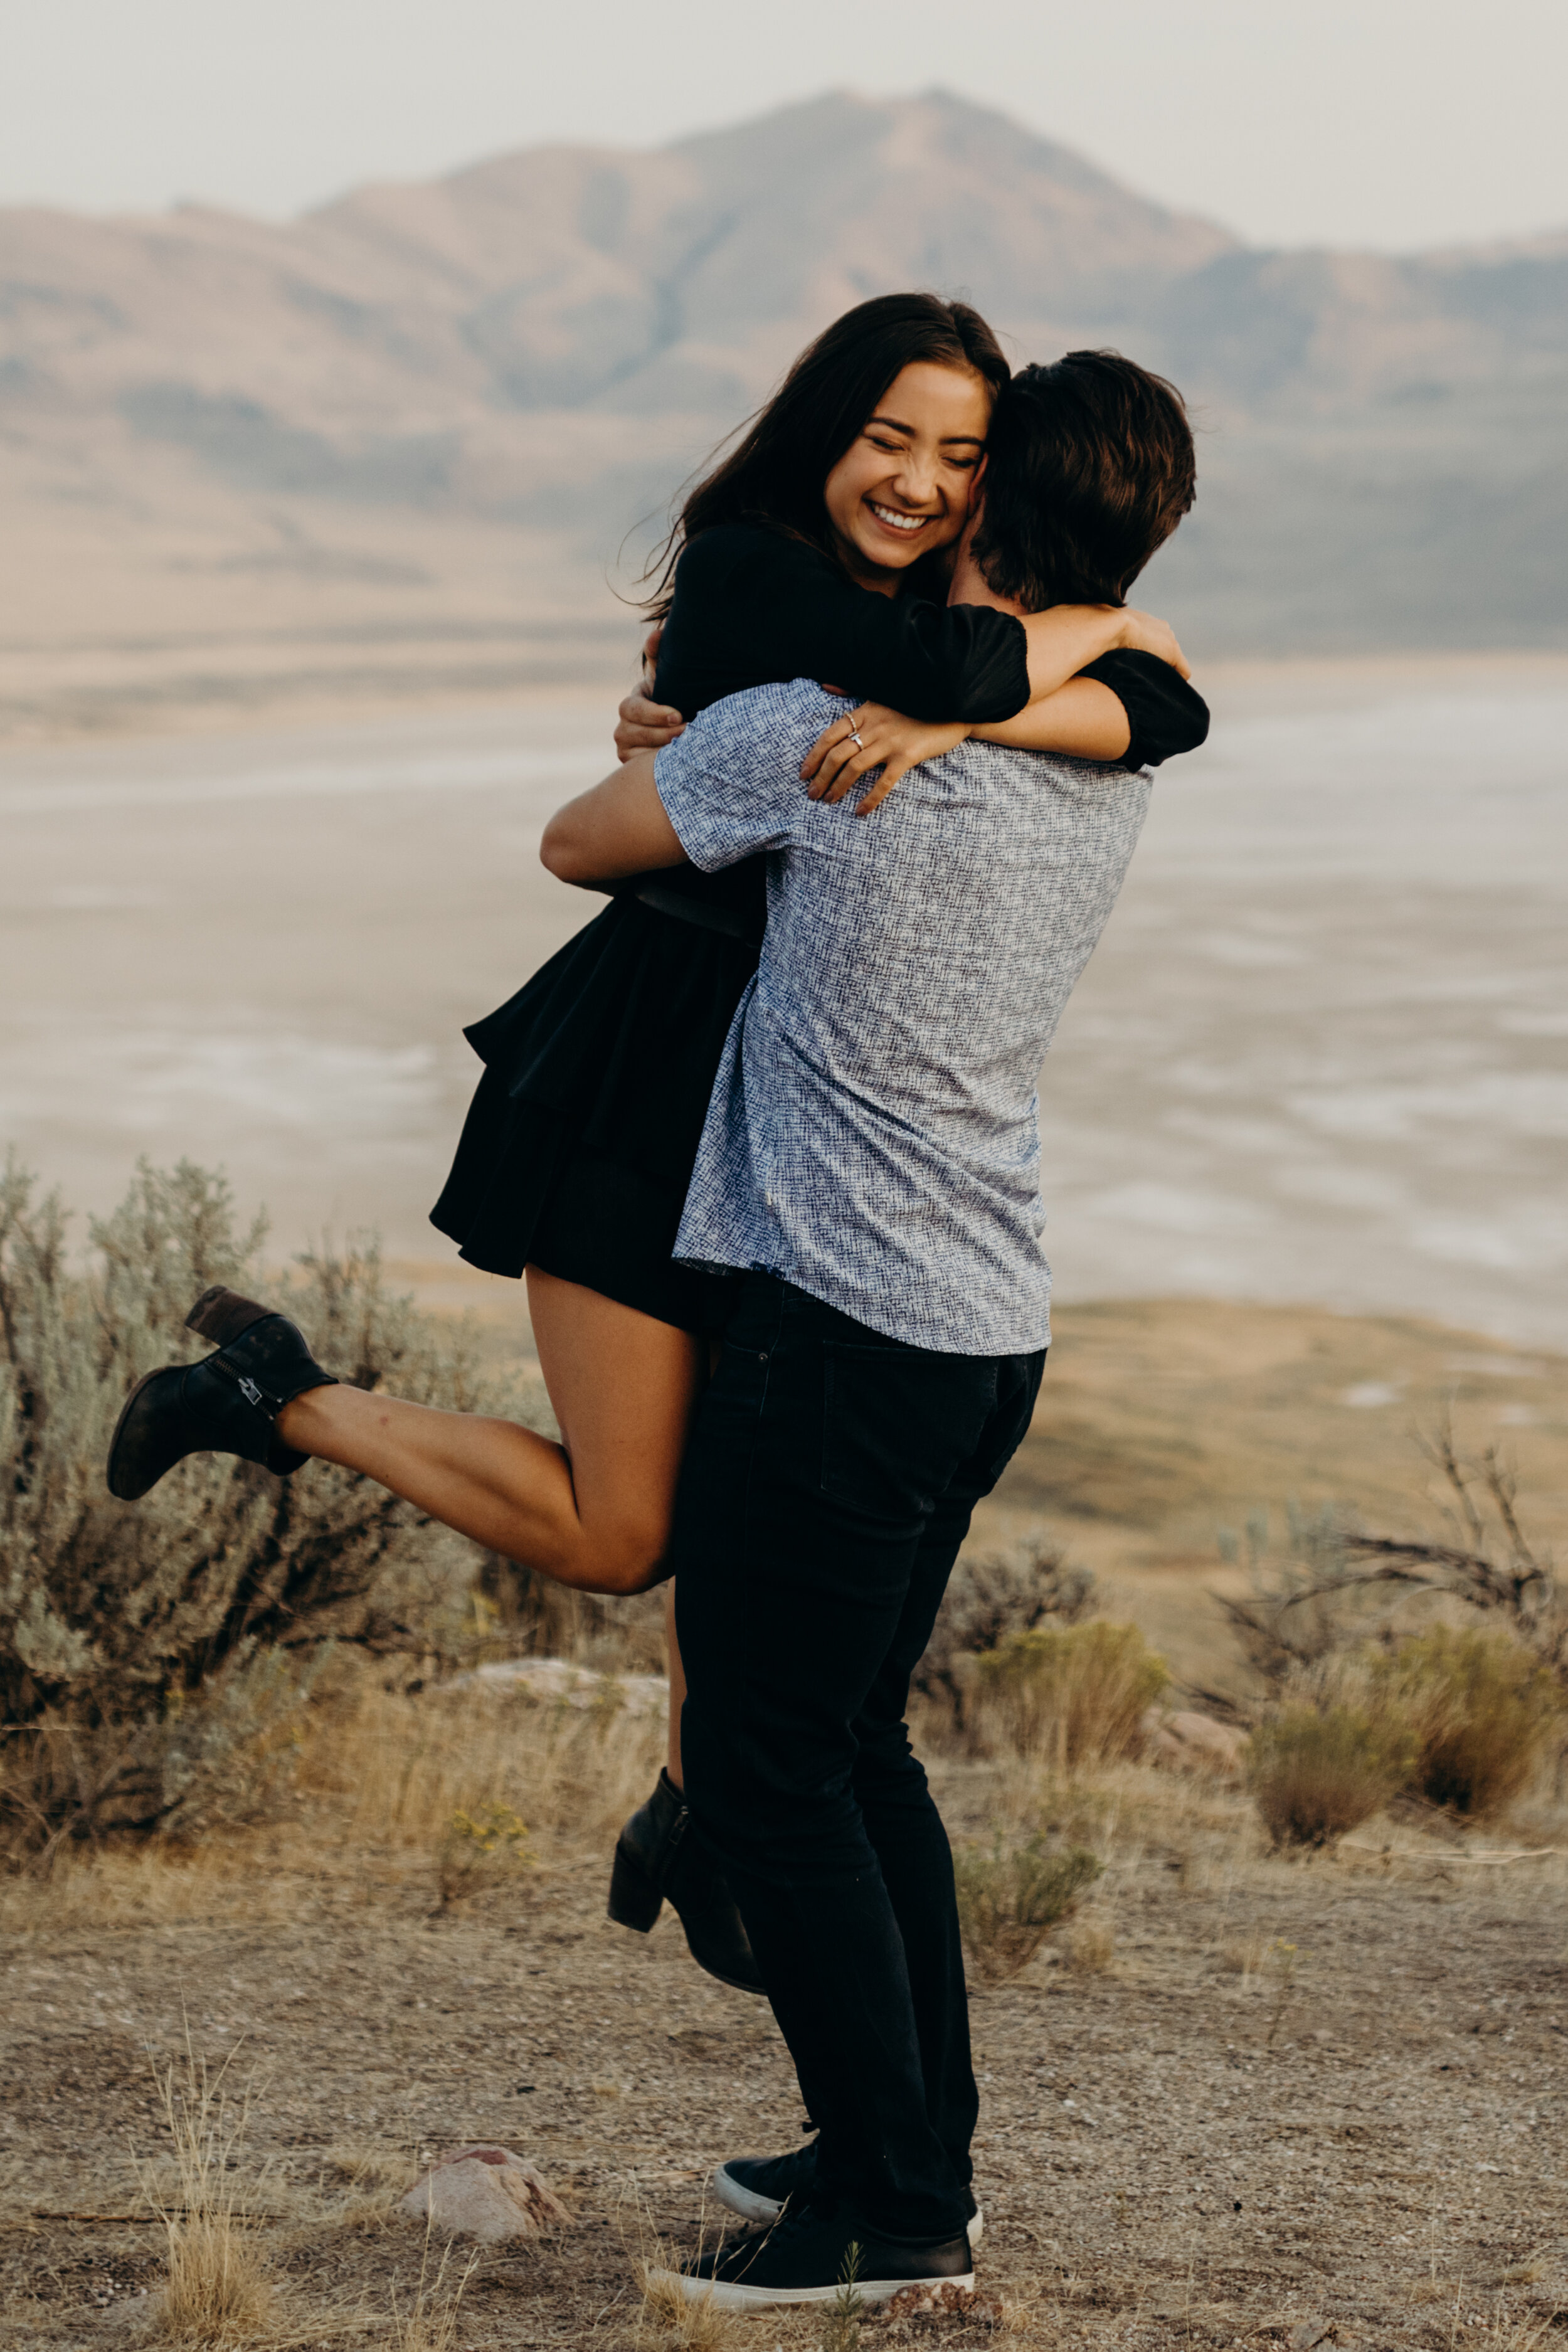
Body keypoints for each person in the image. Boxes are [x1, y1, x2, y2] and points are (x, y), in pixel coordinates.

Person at [105, 296, 1205, 1993]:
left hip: (786, 1116)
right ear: (821, 430)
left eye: (958, 457)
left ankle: (706, 1812)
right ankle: (283, 1402)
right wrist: (1052, 659)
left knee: (745, 1512)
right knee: (631, 1536)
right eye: (887, 438)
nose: (916, 483)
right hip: (645, 1080)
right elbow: (1000, 689)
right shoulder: (760, 563)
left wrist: (1049, 674)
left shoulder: (930, 621)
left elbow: (1161, 712)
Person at [529, 349, 1200, 2307]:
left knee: (767, 1772)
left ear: (983, 522)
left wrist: (669, 745)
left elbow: (580, 845)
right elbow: (1147, 676)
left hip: (834, 1332)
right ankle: (907, 2158)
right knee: (856, 1755)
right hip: (983, 1323)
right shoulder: (1110, 746)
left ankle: (887, 2222)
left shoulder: (824, 733)